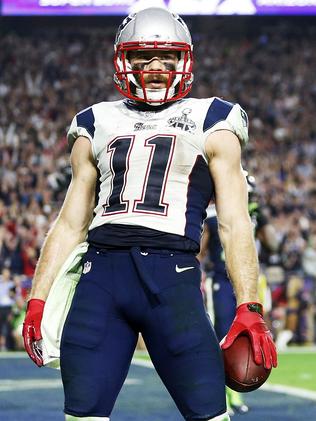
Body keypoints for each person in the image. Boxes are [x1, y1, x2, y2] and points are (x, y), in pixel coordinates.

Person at [22, 7, 277, 421]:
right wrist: (37, 298)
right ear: (124, 59)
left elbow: (234, 223)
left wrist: (249, 305)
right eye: (143, 56)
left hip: (172, 279)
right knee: (82, 415)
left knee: (210, 414)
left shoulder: (213, 119)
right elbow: (69, 222)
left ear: (185, 60)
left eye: (168, 57)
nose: (156, 67)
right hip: (100, 279)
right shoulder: (96, 121)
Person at [199, 173, 279, 415]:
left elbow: (272, 244)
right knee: (222, 334)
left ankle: (236, 391)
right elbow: (200, 250)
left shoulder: (256, 215)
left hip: (251, 282)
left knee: (256, 334)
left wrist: (260, 219)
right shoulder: (213, 216)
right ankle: (225, 394)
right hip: (222, 282)